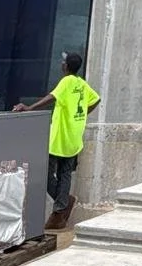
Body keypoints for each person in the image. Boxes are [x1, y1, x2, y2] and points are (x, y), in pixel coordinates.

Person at [14, 52, 101, 231]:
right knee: (65, 173)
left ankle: (63, 203)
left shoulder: (67, 81)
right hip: (74, 136)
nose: (61, 64)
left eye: (63, 62)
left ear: (66, 66)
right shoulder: (81, 83)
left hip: (59, 137)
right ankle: (61, 207)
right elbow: (96, 99)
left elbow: (51, 97)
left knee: (45, 172)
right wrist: (82, 114)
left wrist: (29, 108)